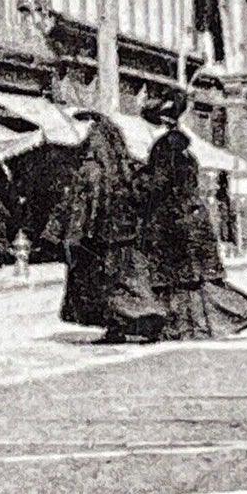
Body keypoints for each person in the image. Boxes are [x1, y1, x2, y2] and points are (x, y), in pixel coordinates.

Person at [140, 95, 247, 339]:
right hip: (193, 220)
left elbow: (159, 184)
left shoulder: (164, 150)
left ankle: (183, 326)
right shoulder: (187, 154)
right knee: (196, 281)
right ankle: (208, 323)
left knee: (176, 280)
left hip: (172, 222)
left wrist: (139, 180)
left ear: (162, 122)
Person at [42, 112, 163, 343]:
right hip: (126, 235)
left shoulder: (91, 170)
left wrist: (71, 235)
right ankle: (129, 325)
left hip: (99, 237)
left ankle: (138, 322)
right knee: (127, 284)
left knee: (103, 287)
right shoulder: (125, 168)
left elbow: (83, 206)